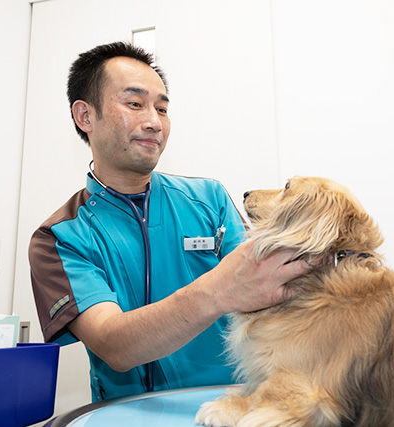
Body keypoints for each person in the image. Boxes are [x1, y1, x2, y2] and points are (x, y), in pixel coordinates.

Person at [29, 41, 312, 402]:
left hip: (235, 403)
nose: (153, 122)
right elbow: (114, 345)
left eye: (161, 109)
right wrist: (219, 289)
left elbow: (267, 291)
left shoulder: (209, 200)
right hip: (130, 413)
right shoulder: (60, 237)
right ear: (85, 116)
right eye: (135, 104)